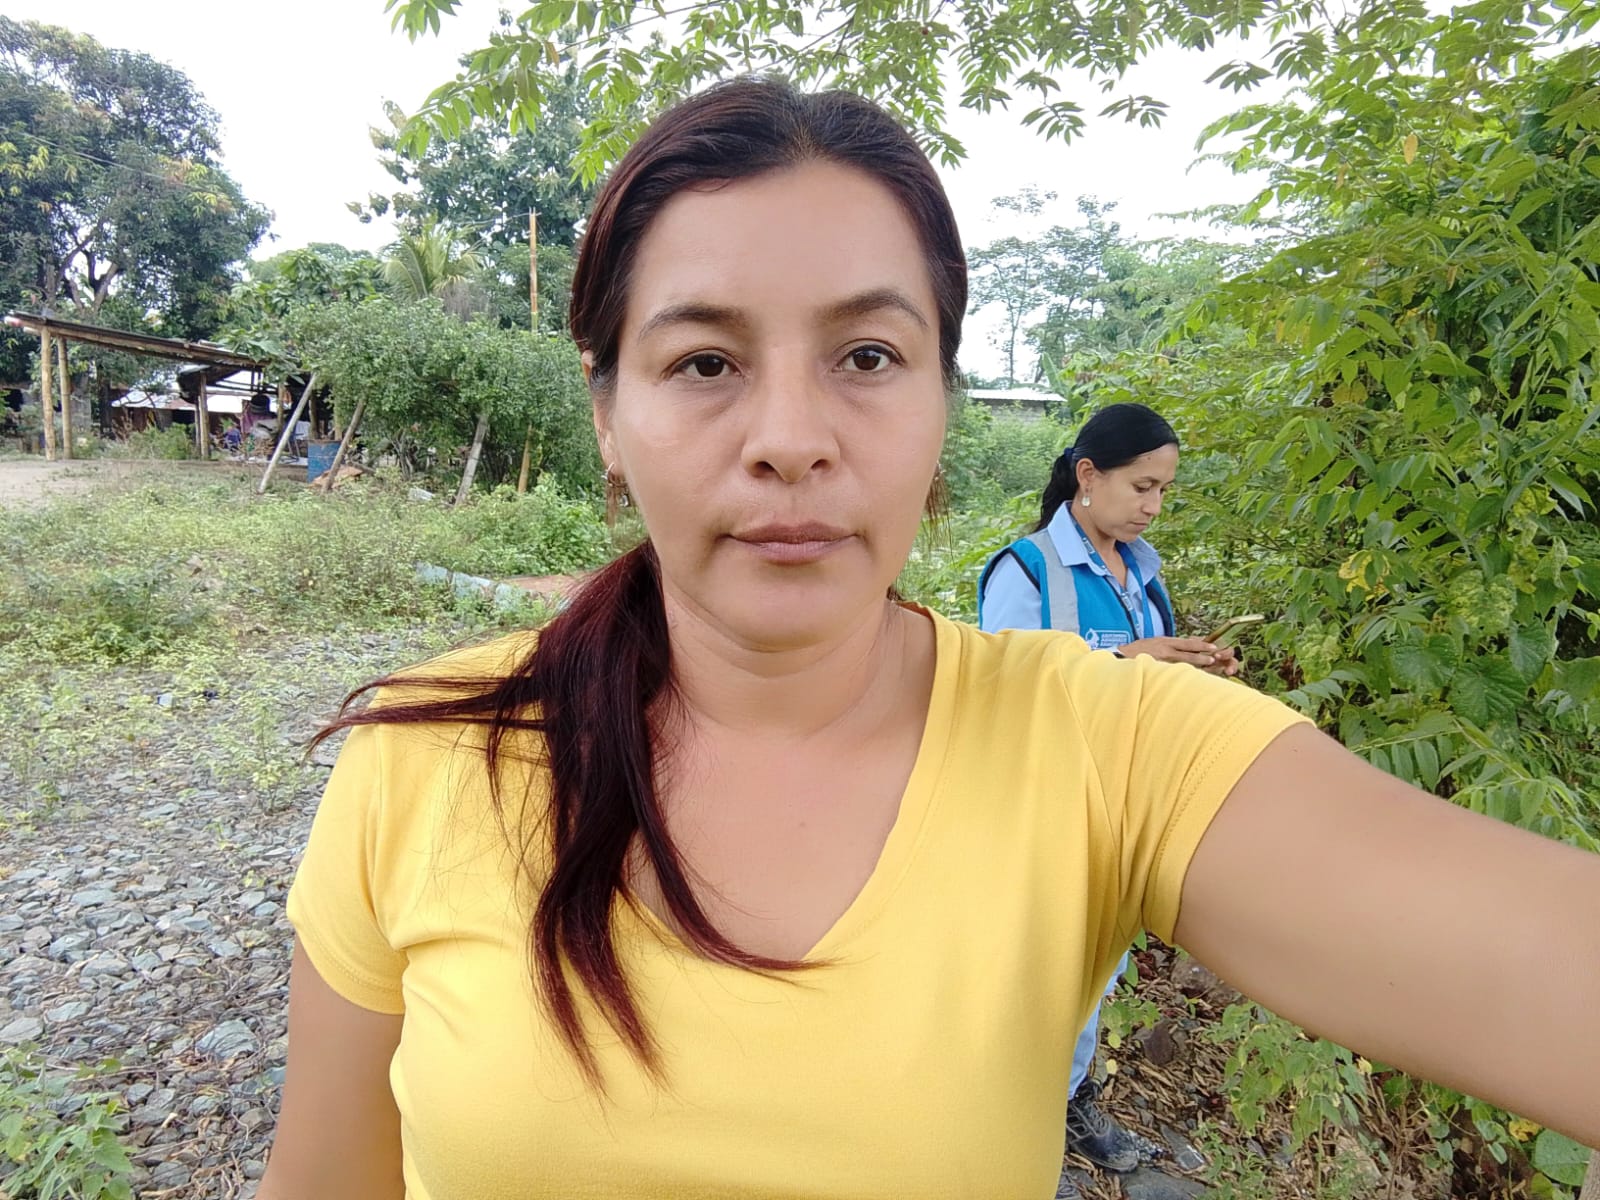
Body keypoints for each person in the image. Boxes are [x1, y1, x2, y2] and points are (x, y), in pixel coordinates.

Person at [260, 79, 1600, 1200]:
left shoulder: (1106, 746)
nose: (791, 439)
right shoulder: (424, 758)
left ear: (944, 405)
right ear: (607, 415)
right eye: (705, 363)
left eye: (867, 357)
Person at [978, 402, 1229, 1192]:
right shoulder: (1026, 571)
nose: (1153, 507)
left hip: (1122, 809)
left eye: (1163, 492)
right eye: (1142, 487)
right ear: (1088, 475)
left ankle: (1064, 1105)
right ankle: (1007, 1132)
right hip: (1045, 810)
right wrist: (1132, 657)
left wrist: (1192, 672)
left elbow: (1145, 688)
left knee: (1096, 974)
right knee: (1036, 975)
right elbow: (1005, 690)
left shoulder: (1142, 571)